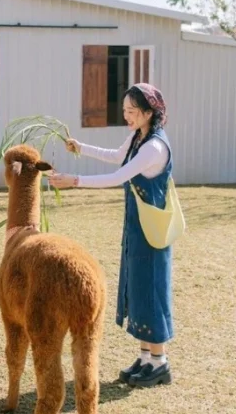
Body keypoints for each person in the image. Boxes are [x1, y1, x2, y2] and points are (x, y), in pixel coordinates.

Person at [49, 83, 175, 388]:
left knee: (152, 288)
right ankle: (145, 358)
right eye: (125, 111)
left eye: (132, 112)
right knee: (138, 286)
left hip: (152, 228)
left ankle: (159, 363)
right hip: (137, 224)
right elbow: (116, 156)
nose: (127, 116)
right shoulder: (139, 136)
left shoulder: (154, 147)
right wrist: (82, 147)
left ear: (148, 113)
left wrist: (74, 181)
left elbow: (118, 176)